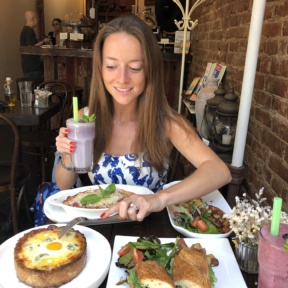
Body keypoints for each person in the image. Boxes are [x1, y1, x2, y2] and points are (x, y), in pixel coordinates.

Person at [53, 15, 231, 223]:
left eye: (135, 68)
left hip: (148, 235)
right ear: (100, 68)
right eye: (111, 66)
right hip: (96, 229)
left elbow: (219, 171)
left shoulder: (166, 121)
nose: (122, 78)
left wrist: (160, 198)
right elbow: (64, 186)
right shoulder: (84, 119)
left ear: (150, 71)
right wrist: (67, 154)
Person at [20, 10, 50, 78]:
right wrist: (44, 41)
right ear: (33, 19)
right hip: (33, 66)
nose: (38, 20)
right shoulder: (28, 30)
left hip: (29, 66)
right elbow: (32, 47)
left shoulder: (25, 29)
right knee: (36, 86)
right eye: (37, 18)